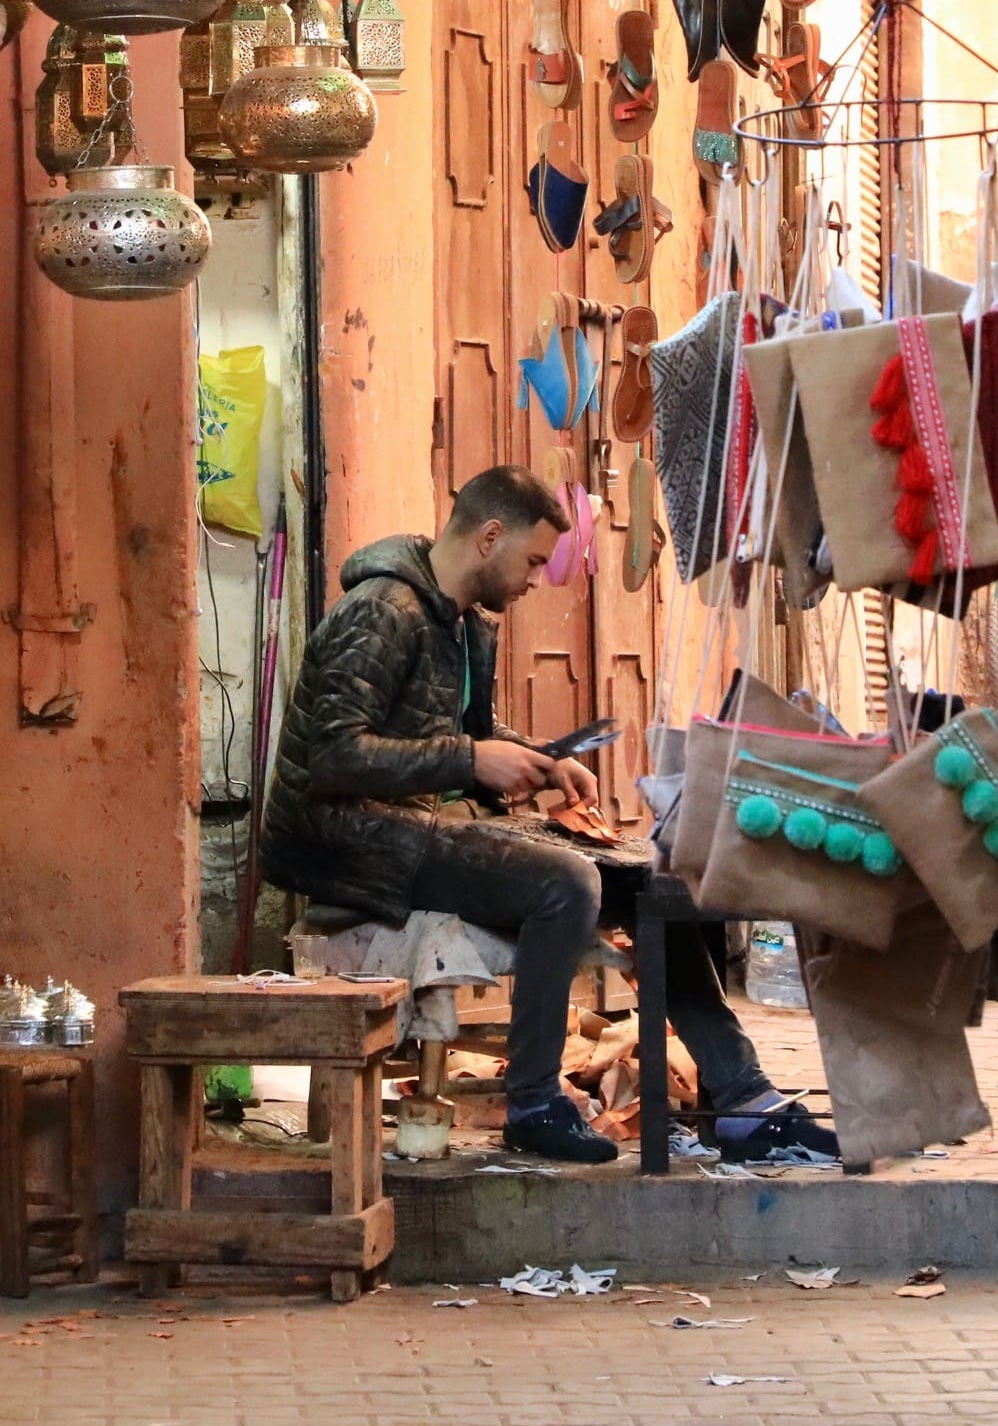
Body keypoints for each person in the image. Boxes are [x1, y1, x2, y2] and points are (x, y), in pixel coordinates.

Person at [262, 464, 833, 1165]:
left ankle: (742, 1099)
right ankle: (533, 1103)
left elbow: (472, 732)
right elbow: (334, 757)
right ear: (489, 537)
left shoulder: (465, 624)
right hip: (338, 839)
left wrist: (537, 758)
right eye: (532, 560)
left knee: (647, 879)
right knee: (566, 882)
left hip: (401, 824)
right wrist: (471, 760)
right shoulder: (383, 610)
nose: (537, 578)